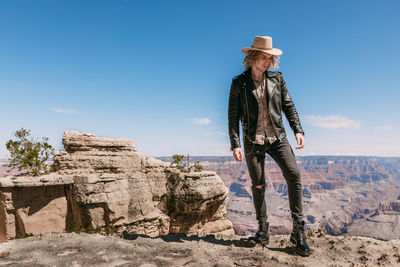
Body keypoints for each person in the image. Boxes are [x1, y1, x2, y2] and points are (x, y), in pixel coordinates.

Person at [228, 35, 310, 256]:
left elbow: (288, 105)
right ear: (252, 57)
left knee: (293, 175)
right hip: (252, 141)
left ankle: (298, 232)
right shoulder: (239, 83)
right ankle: (263, 230)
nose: (267, 61)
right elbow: (233, 115)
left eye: (269, 58)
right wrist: (235, 143)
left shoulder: (277, 79)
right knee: (258, 185)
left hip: (277, 138)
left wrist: (298, 130)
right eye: (263, 57)